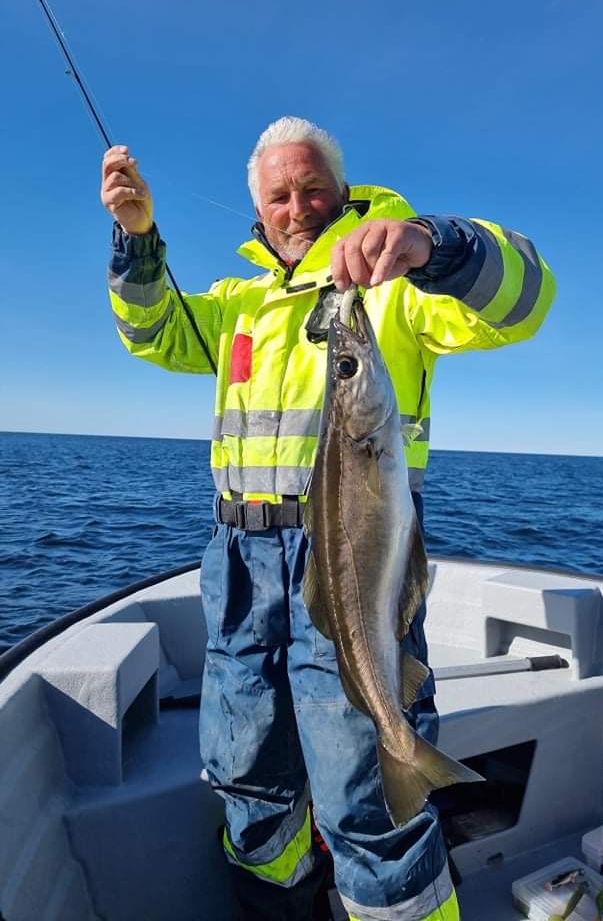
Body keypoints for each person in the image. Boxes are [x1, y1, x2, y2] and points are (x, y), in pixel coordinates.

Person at [101, 116, 556, 921]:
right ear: (260, 210)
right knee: (244, 772)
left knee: (365, 794)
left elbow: (524, 298)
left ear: (342, 192)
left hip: (347, 551)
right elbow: (152, 330)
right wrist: (137, 241)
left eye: (313, 188)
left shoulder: (399, 289)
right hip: (239, 566)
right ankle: (277, 902)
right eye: (280, 194)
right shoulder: (234, 305)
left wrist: (433, 242)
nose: (298, 205)